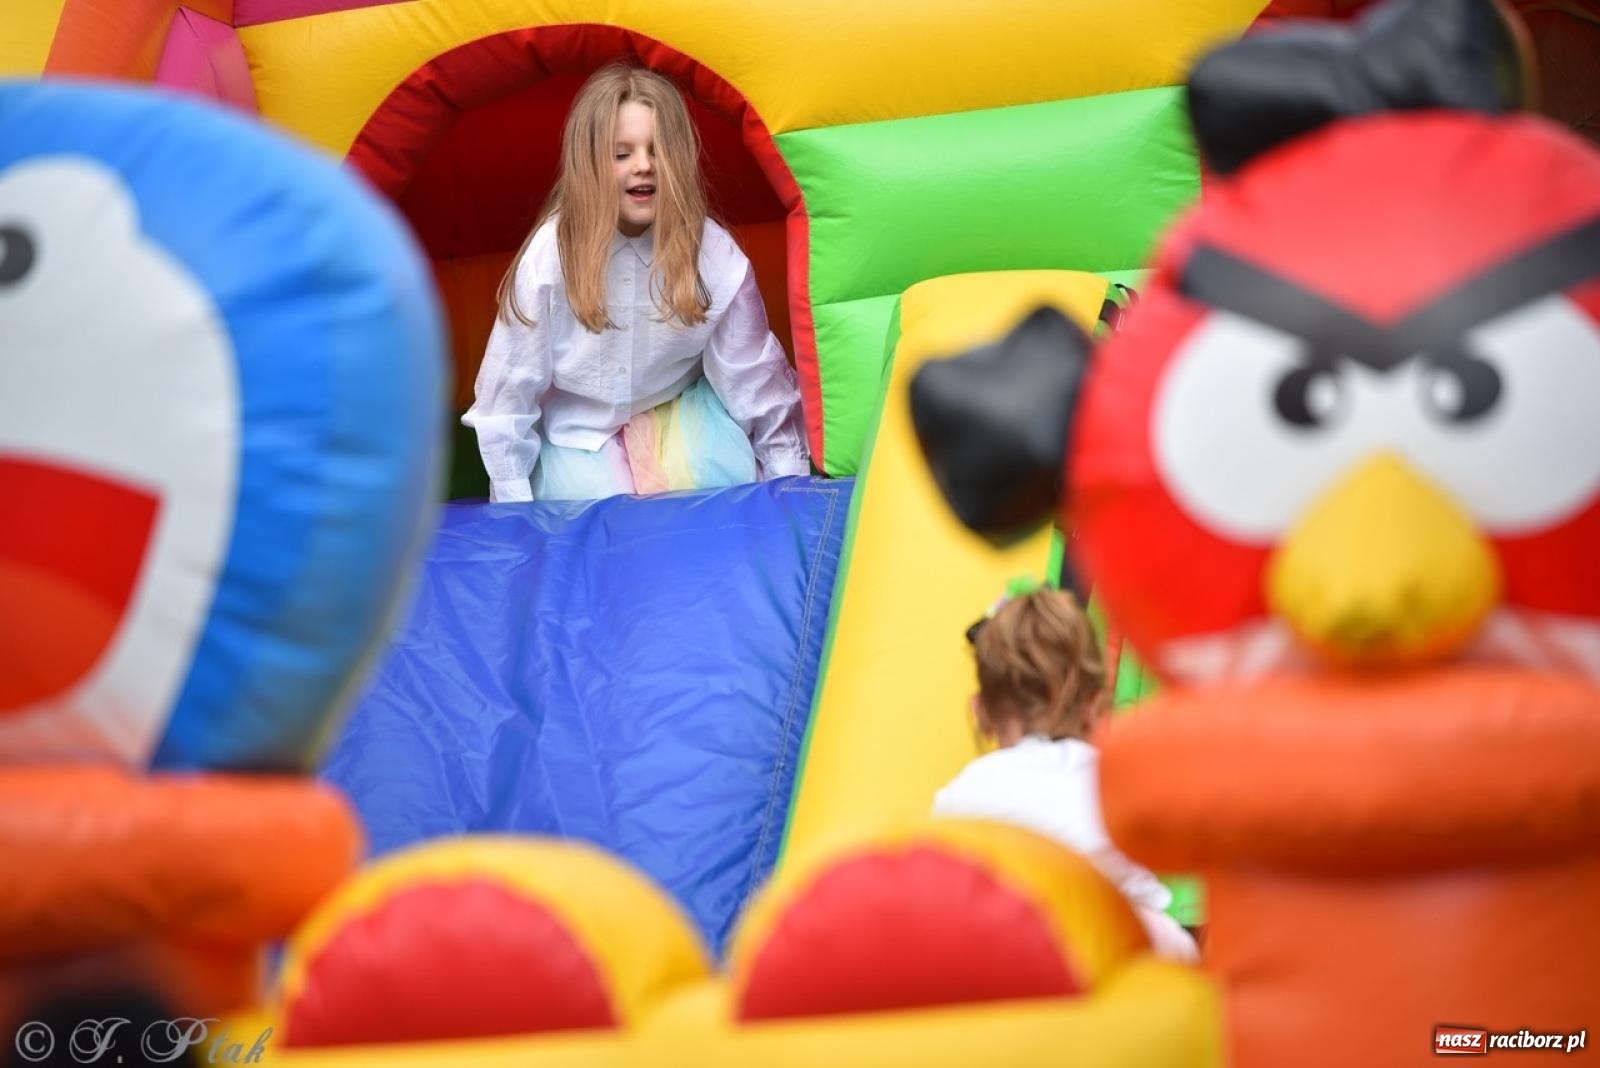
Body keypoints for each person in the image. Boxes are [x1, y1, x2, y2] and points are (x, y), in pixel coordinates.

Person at [464, 65, 810, 502]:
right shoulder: (551, 255)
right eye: (621, 154)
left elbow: (754, 375)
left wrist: (789, 480)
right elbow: (510, 387)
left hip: (678, 415)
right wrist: (511, 498)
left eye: (656, 151)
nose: (643, 166)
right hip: (580, 433)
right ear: (590, 164)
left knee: (716, 485)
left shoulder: (714, 255)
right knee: (587, 511)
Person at [933, 586, 1200, 963]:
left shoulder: (958, 797)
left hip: (1003, 964)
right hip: (1111, 963)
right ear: (1094, 705)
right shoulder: (1120, 782)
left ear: (981, 711)